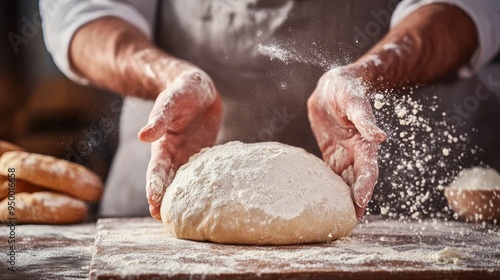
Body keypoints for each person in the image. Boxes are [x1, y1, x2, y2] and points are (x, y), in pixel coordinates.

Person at [40, 0, 500, 221]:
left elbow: (471, 8)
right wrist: (168, 76)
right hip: (174, 162)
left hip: (382, 186)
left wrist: (366, 76)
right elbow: (83, 15)